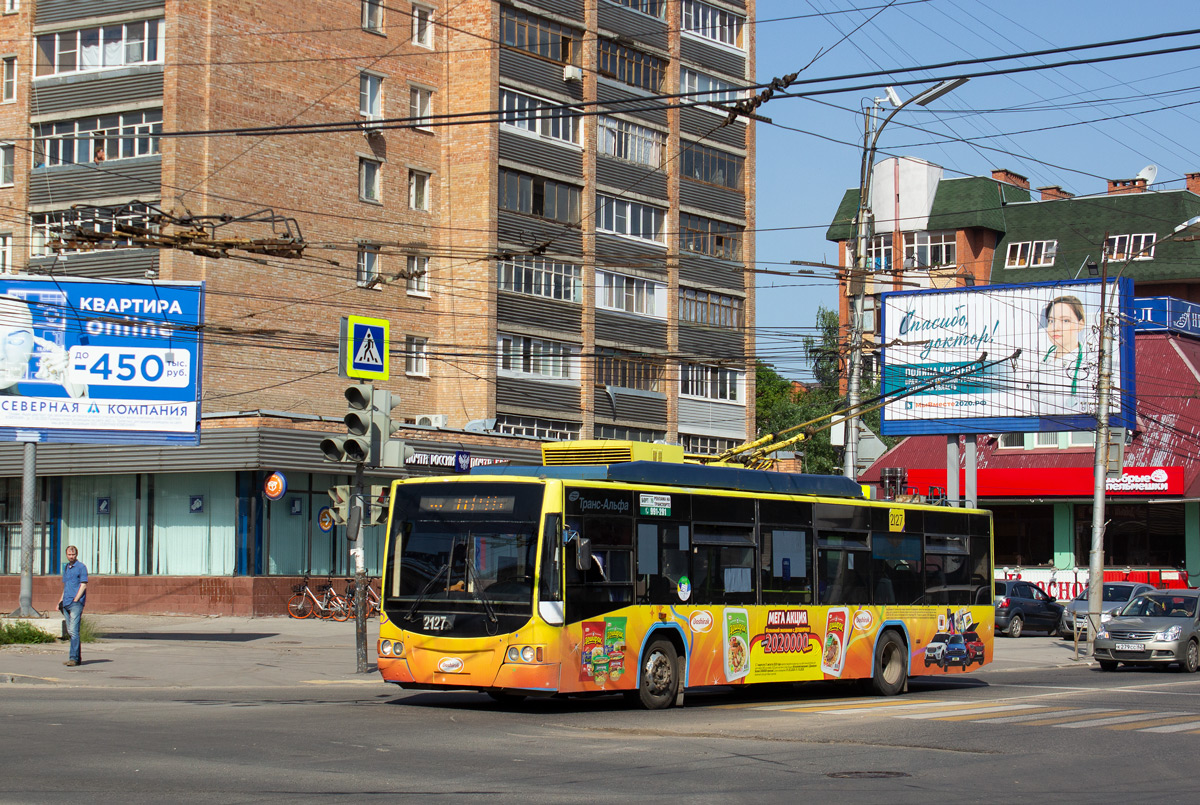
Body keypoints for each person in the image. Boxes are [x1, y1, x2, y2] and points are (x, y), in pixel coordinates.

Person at [1039, 295, 1088, 409]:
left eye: (1065, 320)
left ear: (1081, 324)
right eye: (1051, 321)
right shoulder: (1041, 359)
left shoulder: (1090, 365)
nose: (1056, 327)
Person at [60, 545, 88, 666]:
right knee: (70, 631)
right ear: (66, 555)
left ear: (76, 555)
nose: (71, 557)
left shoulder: (81, 567)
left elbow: (83, 584)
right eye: (69, 555)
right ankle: (76, 657)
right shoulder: (66, 567)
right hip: (65, 603)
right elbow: (66, 586)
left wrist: (76, 599)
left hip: (75, 603)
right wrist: (60, 601)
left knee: (74, 631)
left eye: (73, 555)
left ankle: (74, 658)